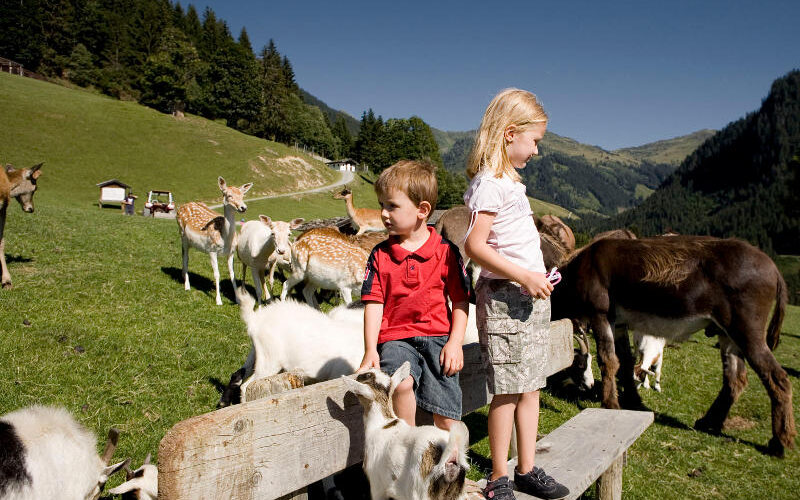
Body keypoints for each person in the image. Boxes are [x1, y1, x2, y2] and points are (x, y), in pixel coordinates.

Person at [464, 89, 569, 500]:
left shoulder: (510, 182)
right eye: (535, 141)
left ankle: (527, 468)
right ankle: (498, 477)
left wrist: (535, 279)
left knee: (530, 386)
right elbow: (476, 245)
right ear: (510, 133)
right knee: (507, 389)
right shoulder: (490, 183)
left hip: (528, 299)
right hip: (506, 299)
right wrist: (525, 276)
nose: (537, 151)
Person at [358, 159, 471, 431]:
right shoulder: (380, 255)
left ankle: (448, 463)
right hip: (396, 338)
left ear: (422, 210)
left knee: (446, 411)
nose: (384, 213)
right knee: (400, 381)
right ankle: (407, 440)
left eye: (392, 206)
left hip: (438, 339)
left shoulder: (446, 252)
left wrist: (455, 342)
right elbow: (374, 303)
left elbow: (460, 300)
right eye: (382, 204)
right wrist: (370, 349)